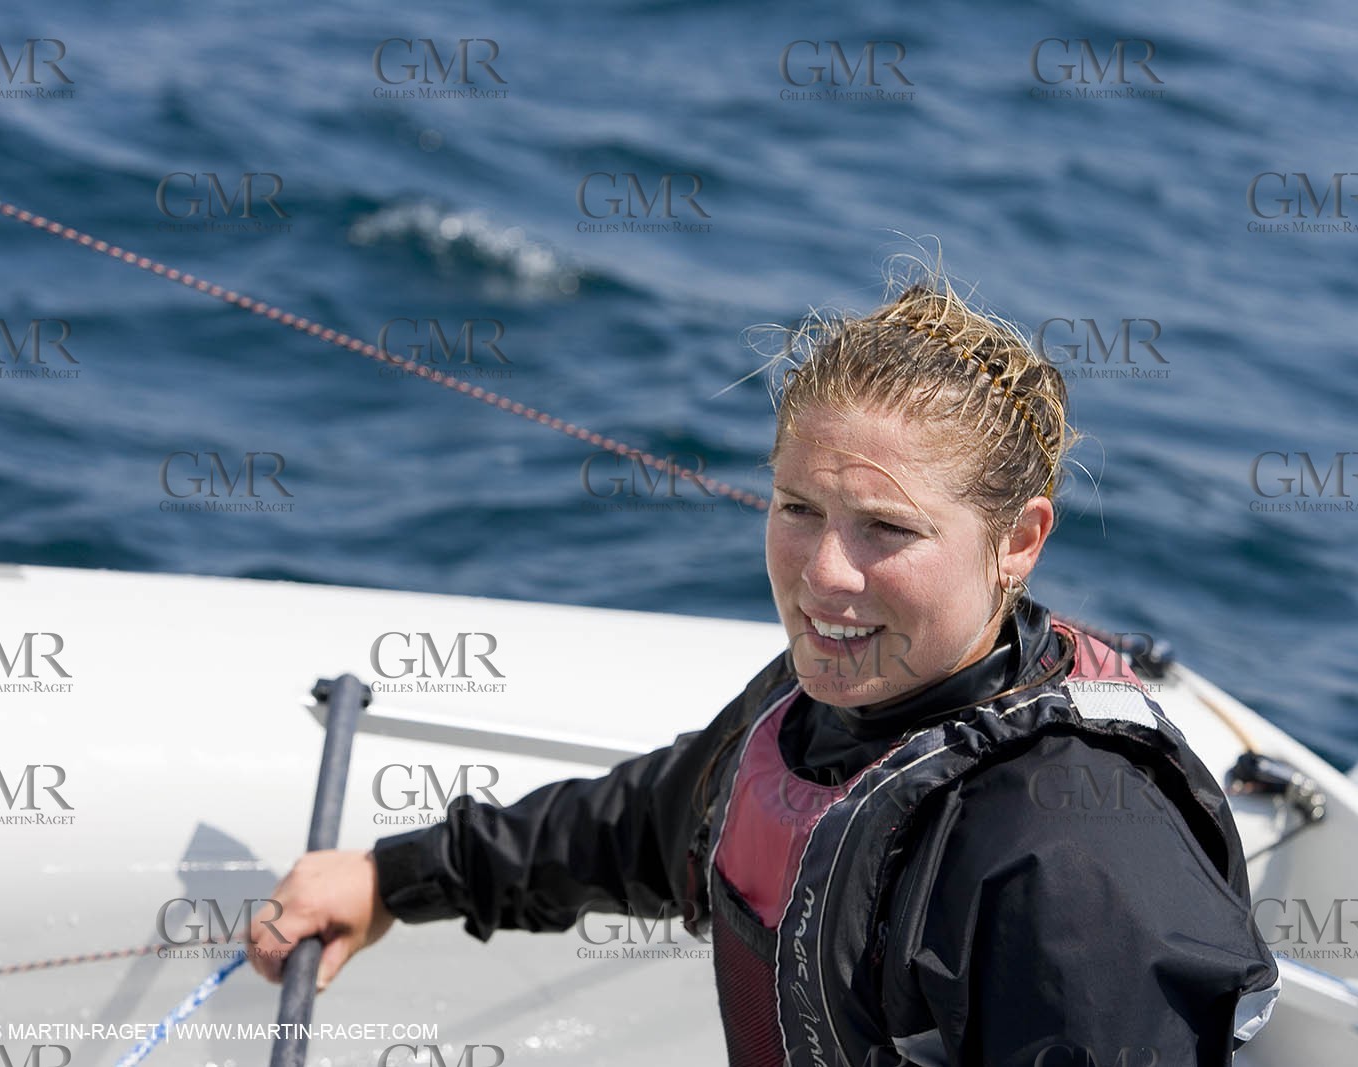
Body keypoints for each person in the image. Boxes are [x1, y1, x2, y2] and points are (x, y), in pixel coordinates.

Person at [250, 273, 1280, 1066]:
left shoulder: (1076, 860)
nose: (825, 574)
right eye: (797, 509)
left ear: (1018, 541)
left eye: (886, 527)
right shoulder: (825, 705)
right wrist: (394, 876)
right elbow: (649, 826)